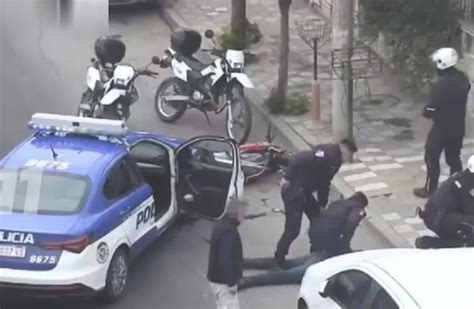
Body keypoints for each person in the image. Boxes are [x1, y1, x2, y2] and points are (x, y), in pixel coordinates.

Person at [238, 192, 368, 290]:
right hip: (327, 246)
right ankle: (249, 281)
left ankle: (246, 262)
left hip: (318, 238)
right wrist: (345, 242)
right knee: (293, 274)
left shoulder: (338, 204)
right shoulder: (357, 207)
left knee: (288, 264)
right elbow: (352, 222)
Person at [274, 138, 358, 267]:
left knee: (318, 220)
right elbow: (301, 158)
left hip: (305, 191)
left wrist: (321, 204)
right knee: (293, 229)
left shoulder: (336, 161)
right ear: (344, 149)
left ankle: (315, 253)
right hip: (294, 190)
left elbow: (325, 183)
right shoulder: (327, 154)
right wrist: (287, 176)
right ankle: (279, 258)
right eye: (350, 155)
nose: (349, 159)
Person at [414, 47, 471, 199]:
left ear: (441, 64)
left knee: (431, 156)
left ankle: (430, 189)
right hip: (458, 127)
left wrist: (426, 111)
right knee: (454, 158)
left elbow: (430, 108)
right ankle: (457, 187)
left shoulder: (440, 85)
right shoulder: (463, 79)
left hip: (441, 127)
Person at [416, 155, 474, 248]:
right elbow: (470, 208)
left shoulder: (464, 177)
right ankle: (431, 243)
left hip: (440, 215)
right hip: (437, 218)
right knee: (470, 228)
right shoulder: (464, 184)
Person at [207, 199, 249, 309]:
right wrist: (231, 283)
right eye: (243, 213)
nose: (244, 216)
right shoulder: (229, 233)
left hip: (215, 279)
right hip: (223, 283)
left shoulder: (221, 224)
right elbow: (224, 260)